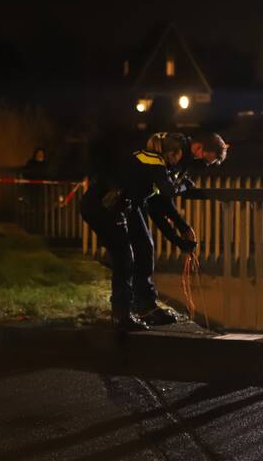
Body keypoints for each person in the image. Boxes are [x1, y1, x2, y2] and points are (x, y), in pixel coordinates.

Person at [80, 143, 197, 331]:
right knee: (124, 259)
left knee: (133, 254)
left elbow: (160, 208)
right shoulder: (154, 163)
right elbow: (168, 193)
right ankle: (122, 315)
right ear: (172, 154)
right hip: (103, 208)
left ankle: (131, 311)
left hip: (112, 208)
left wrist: (180, 239)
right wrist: (184, 185)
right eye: (177, 157)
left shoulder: (152, 167)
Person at [131, 132, 228, 325]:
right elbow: (163, 198)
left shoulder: (179, 159)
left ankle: (142, 305)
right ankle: (140, 306)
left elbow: (162, 201)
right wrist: (182, 187)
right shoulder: (173, 156)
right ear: (199, 148)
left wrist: (182, 230)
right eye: (205, 160)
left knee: (143, 249)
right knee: (142, 250)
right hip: (129, 201)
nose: (202, 165)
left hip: (136, 200)